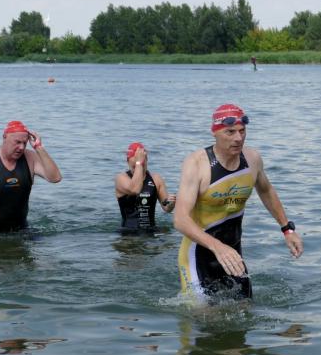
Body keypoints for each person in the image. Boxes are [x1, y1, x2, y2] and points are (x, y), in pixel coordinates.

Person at [174, 104, 303, 299]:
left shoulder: (252, 159)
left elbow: (266, 190)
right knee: (204, 315)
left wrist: (287, 229)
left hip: (232, 255)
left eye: (242, 131)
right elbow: (180, 219)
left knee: (246, 308)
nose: (238, 138)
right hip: (197, 255)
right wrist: (218, 247)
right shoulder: (196, 164)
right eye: (230, 132)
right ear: (215, 132)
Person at [0, 120, 61, 233]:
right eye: (17, 142)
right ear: (4, 137)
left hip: (22, 230)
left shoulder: (30, 158)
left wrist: (39, 148)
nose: (21, 147)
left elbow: (55, 178)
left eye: (24, 143)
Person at [115, 142, 176, 232]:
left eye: (141, 165)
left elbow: (166, 208)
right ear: (127, 162)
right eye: (134, 166)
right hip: (128, 232)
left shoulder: (156, 179)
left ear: (146, 160)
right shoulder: (121, 179)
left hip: (150, 231)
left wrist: (171, 203)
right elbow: (135, 189)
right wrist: (139, 163)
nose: (138, 169)